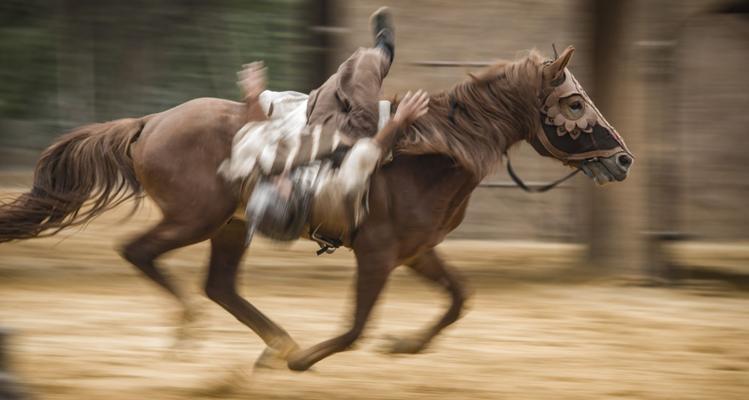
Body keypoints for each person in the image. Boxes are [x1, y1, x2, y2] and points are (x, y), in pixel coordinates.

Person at [220, 7, 429, 247]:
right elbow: (364, 157)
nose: (275, 181)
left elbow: (257, 130)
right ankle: (383, 50)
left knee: (344, 76)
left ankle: (375, 54)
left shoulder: (271, 171)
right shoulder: (328, 196)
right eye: (278, 188)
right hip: (354, 139)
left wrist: (253, 95)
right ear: (291, 199)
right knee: (363, 69)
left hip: (318, 128)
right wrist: (399, 120)